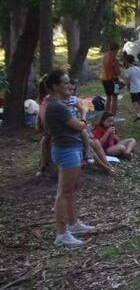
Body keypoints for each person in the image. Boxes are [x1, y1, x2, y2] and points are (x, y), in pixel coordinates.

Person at [44, 70, 97, 247]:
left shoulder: (60, 104)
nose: (69, 86)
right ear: (55, 86)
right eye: (65, 83)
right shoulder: (56, 106)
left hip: (71, 149)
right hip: (66, 151)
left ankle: (74, 224)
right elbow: (79, 125)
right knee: (64, 192)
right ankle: (62, 233)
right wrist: (83, 114)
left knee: (71, 189)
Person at [100, 42, 122, 115]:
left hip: (104, 79)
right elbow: (118, 72)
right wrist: (119, 66)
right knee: (114, 98)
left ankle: (105, 114)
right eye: (118, 49)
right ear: (116, 49)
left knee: (108, 97)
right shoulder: (114, 59)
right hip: (113, 81)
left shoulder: (105, 56)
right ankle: (113, 116)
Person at [123, 55, 140, 121]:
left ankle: (139, 116)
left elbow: (128, 81)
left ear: (126, 61)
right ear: (133, 60)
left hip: (134, 89)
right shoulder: (137, 68)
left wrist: (128, 88)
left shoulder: (128, 71)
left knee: (134, 102)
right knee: (139, 101)